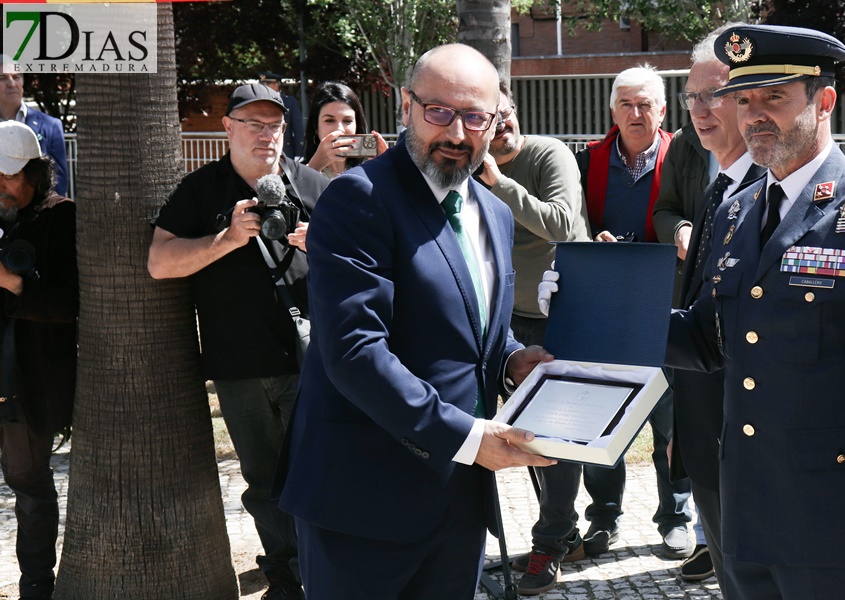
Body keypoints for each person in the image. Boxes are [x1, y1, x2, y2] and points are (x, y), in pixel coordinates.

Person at [661, 24, 845, 599]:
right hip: (747, 511)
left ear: (824, 101)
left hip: (835, 520)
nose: (753, 115)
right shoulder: (735, 211)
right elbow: (707, 340)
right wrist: (597, 313)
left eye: (774, 97)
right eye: (742, 99)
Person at [276, 44, 556, 599]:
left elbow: (476, 329)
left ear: (496, 121)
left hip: (457, 502)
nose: (457, 132)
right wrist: (471, 438)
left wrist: (511, 360)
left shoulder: (495, 213)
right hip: (362, 501)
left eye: (475, 116)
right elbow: (355, 352)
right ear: (407, 106)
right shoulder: (359, 198)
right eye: (439, 112)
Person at [148, 83, 328, 600]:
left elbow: (369, 269)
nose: (265, 134)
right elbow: (160, 263)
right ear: (228, 127)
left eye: (274, 124)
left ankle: (323, 572)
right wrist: (226, 240)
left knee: (314, 472)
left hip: (310, 362)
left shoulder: (315, 186)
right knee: (263, 484)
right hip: (239, 366)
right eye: (253, 123)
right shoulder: (200, 191)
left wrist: (325, 246)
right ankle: (284, 579)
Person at [650, 23, 764, 585]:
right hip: (707, 434)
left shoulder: (771, 194)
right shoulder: (720, 186)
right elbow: (701, 324)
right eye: (692, 95)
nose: (699, 108)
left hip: (752, 449)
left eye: (715, 93)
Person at [574, 65, 695, 561]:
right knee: (605, 421)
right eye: (626, 103)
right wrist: (593, 241)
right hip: (610, 313)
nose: (636, 113)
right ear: (612, 111)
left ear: (663, 110)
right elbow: (574, 227)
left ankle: (676, 518)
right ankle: (603, 519)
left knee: (671, 424)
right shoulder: (588, 161)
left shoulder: (682, 158)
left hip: (667, 308)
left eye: (646, 104)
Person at [475, 82, 591, 595]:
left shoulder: (549, 155)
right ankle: (562, 532)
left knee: (558, 439)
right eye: (489, 117)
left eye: (507, 113)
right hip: (503, 323)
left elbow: (565, 225)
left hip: (561, 317)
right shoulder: (466, 170)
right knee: (520, 436)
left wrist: (499, 184)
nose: (502, 123)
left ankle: (549, 545)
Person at [0, 121, 77, 600]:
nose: (0, 185)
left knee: (28, 486)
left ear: (34, 171)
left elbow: (70, 304)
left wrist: (12, 284)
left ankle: (35, 585)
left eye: (7, 175)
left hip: (27, 381)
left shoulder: (60, 217)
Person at [0, 70, 69, 196]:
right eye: (2, 77)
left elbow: (59, 181)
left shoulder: (51, 126)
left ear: (22, 83)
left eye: (16, 77)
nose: (11, 83)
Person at [300, 81, 387, 179]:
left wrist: (384, 167)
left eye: (347, 121)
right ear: (316, 127)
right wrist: (314, 167)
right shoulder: (296, 173)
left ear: (357, 125)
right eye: (329, 120)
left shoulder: (367, 171)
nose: (339, 129)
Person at [261, 72, 306, 160]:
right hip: (265, 151)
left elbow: (298, 129)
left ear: (276, 86)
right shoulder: (259, 103)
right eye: (262, 84)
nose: (263, 87)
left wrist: (299, 154)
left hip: (285, 152)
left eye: (266, 84)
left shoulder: (289, 102)